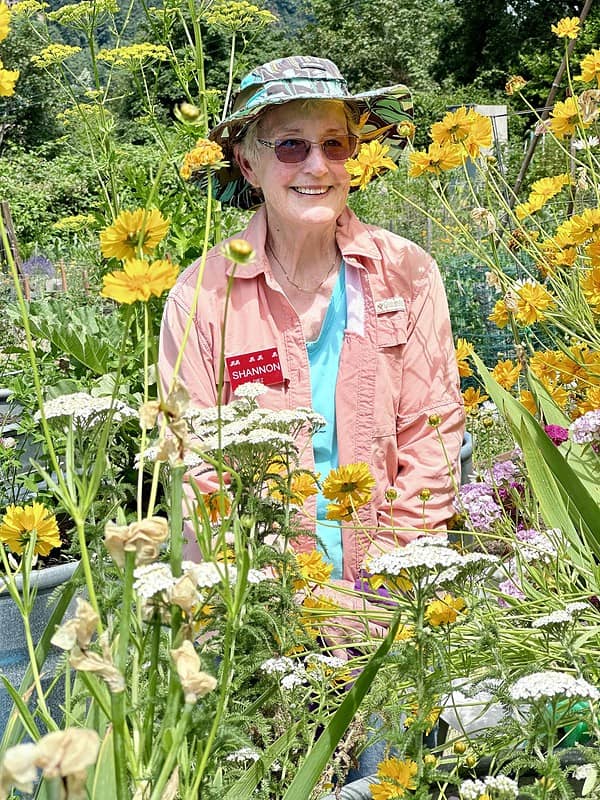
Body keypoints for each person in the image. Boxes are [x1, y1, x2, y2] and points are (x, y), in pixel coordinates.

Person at [159, 56, 464, 584]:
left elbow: (431, 440)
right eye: (291, 145)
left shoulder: (407, 274)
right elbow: (195, 468)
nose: (317, 166)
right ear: (248, 165)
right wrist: (288, 596)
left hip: (391, 588)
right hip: (257, 602)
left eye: (334, 144)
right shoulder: (203, 295)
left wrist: (388, 584)